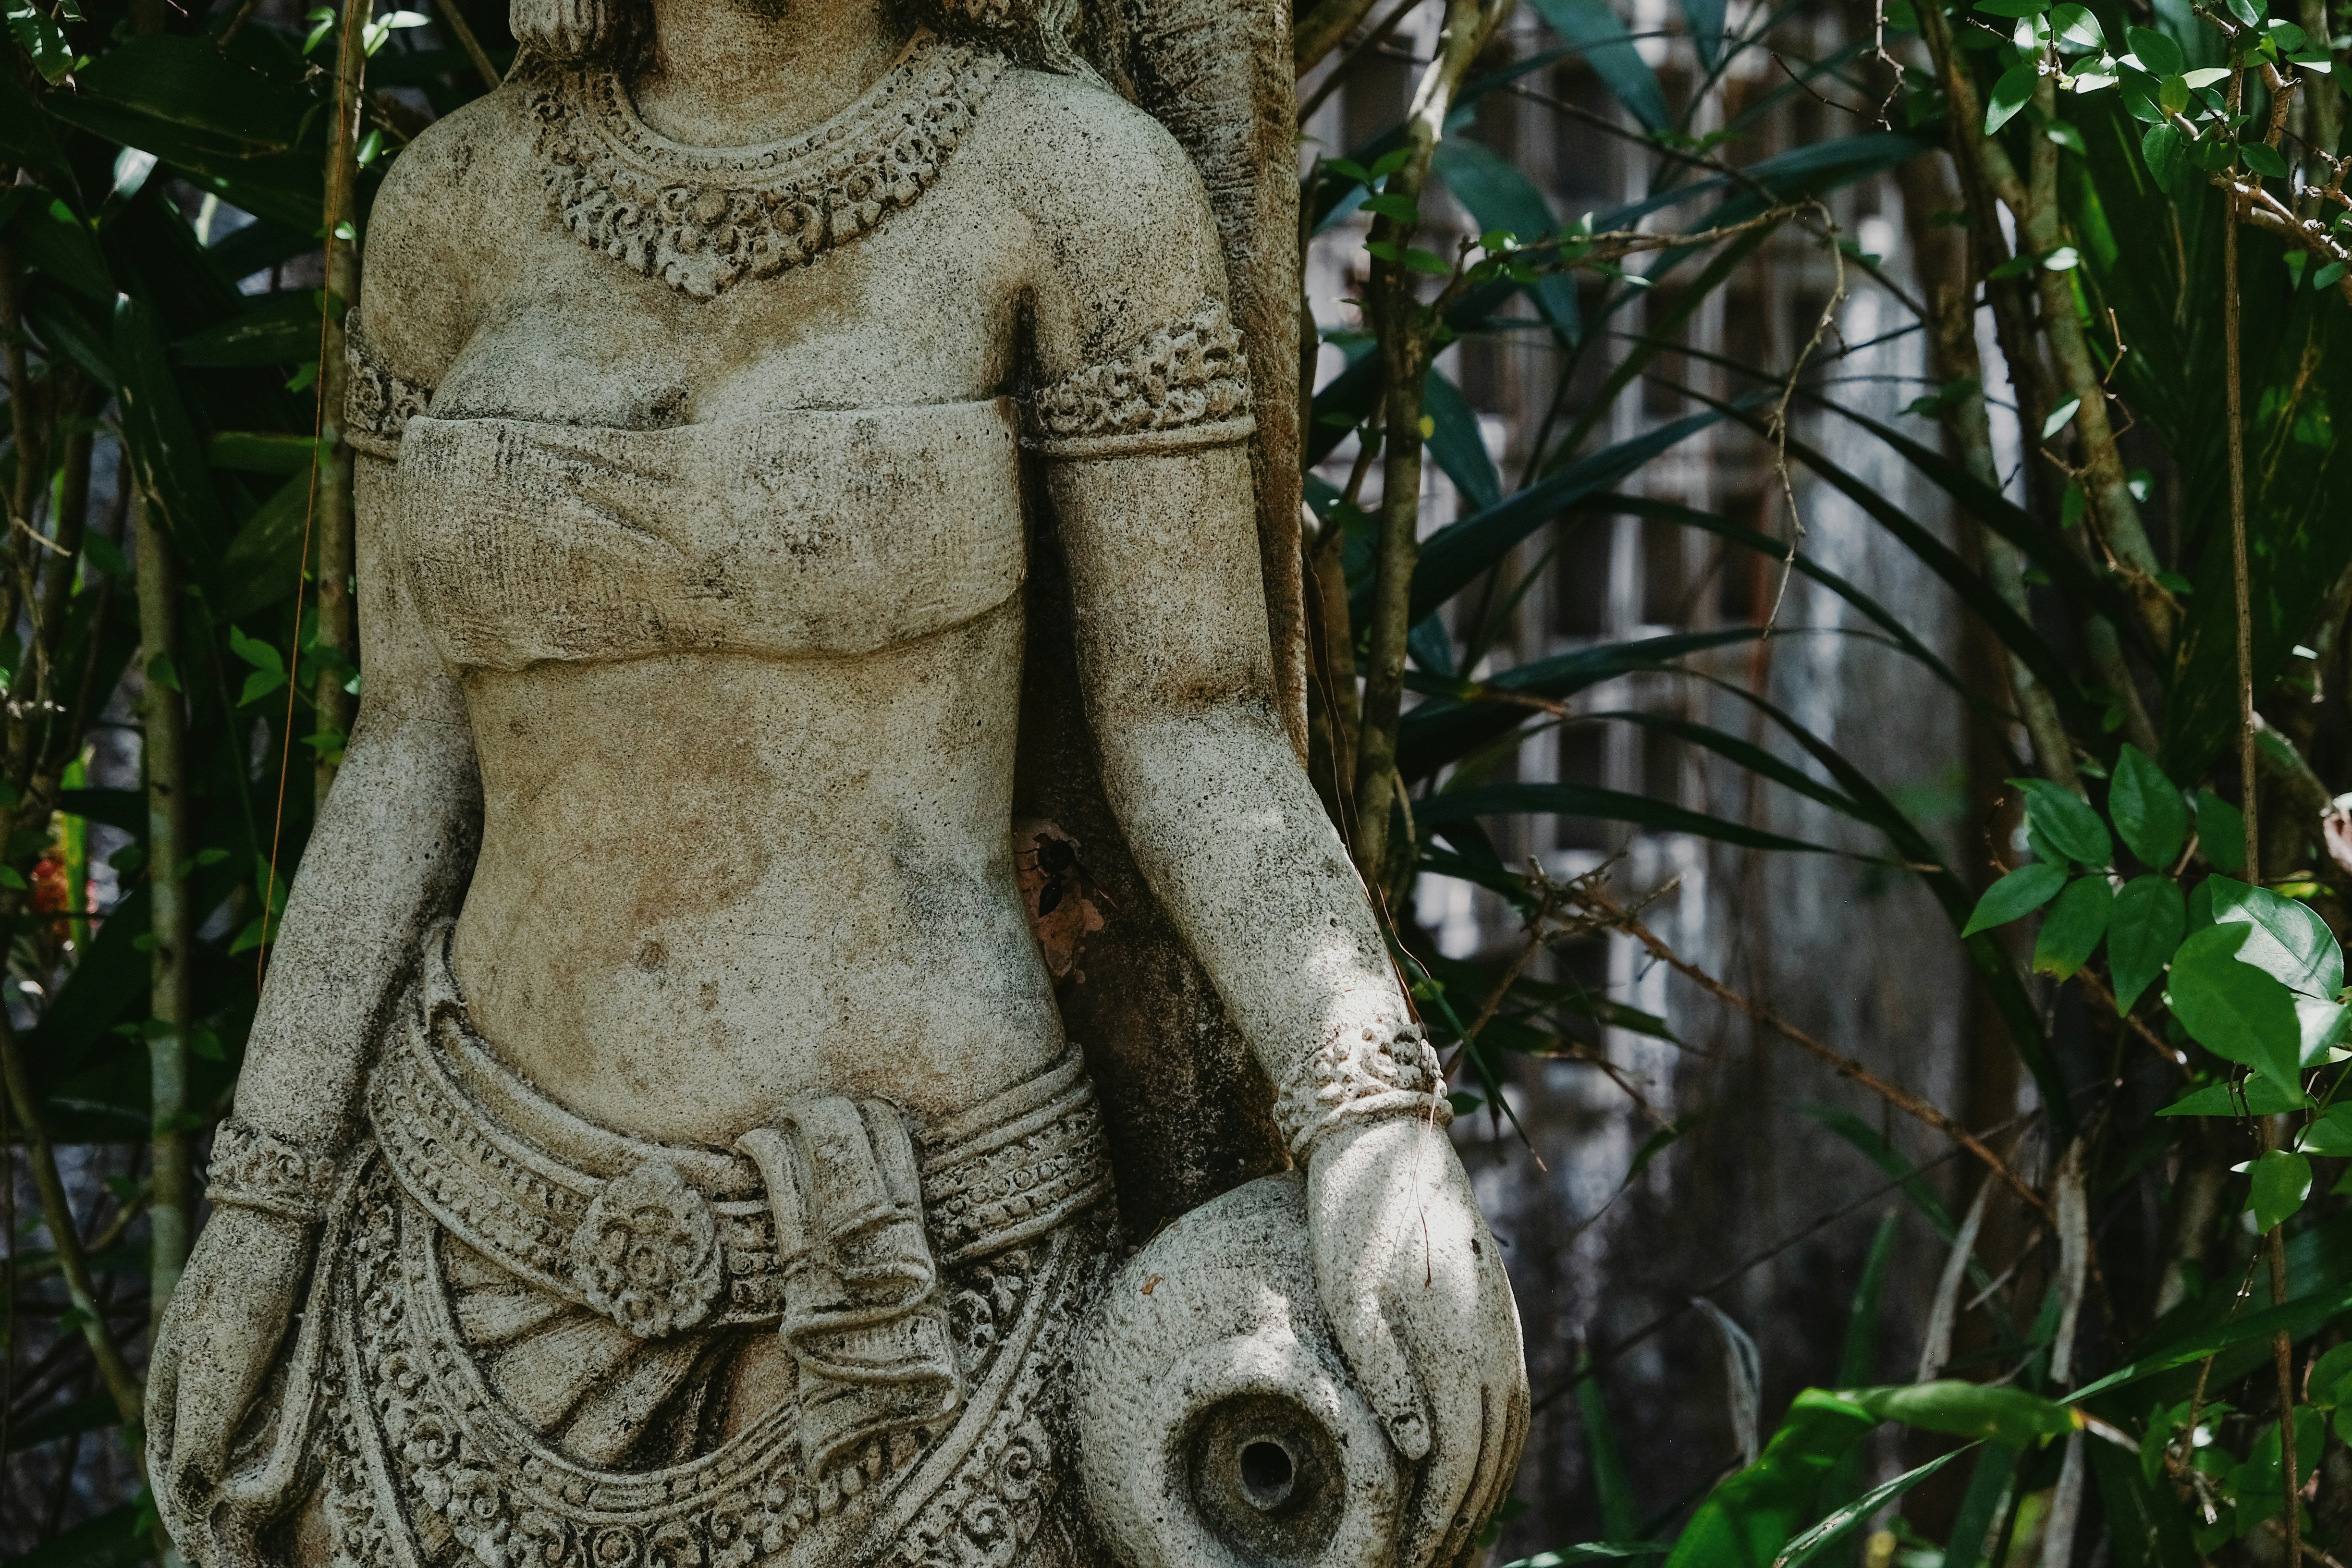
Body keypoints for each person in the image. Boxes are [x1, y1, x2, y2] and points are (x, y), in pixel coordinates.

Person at [145, 0, 1526, 1560]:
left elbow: (1192, 718)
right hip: (452, 1265)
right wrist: (262, 1212)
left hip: (934, 1285)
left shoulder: (1069, 183)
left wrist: (1371, 1122)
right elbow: (404, 755)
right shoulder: (454, 208)